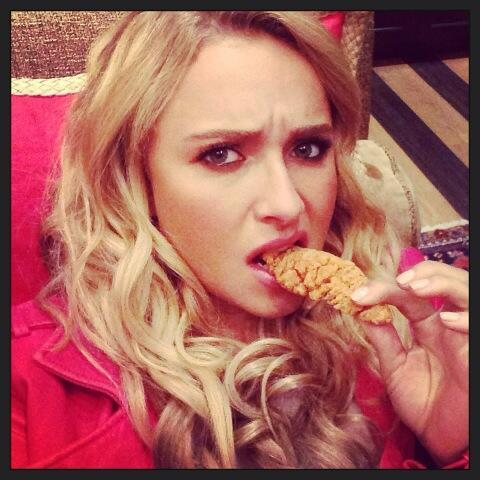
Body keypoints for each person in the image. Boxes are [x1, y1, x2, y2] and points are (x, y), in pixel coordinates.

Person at [11, 11, 468, 469]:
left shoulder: (413, 312)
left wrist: (454, 445)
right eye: (222, 154)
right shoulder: (27, 381)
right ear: (137, 178)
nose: (287, 205)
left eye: (308, 148)